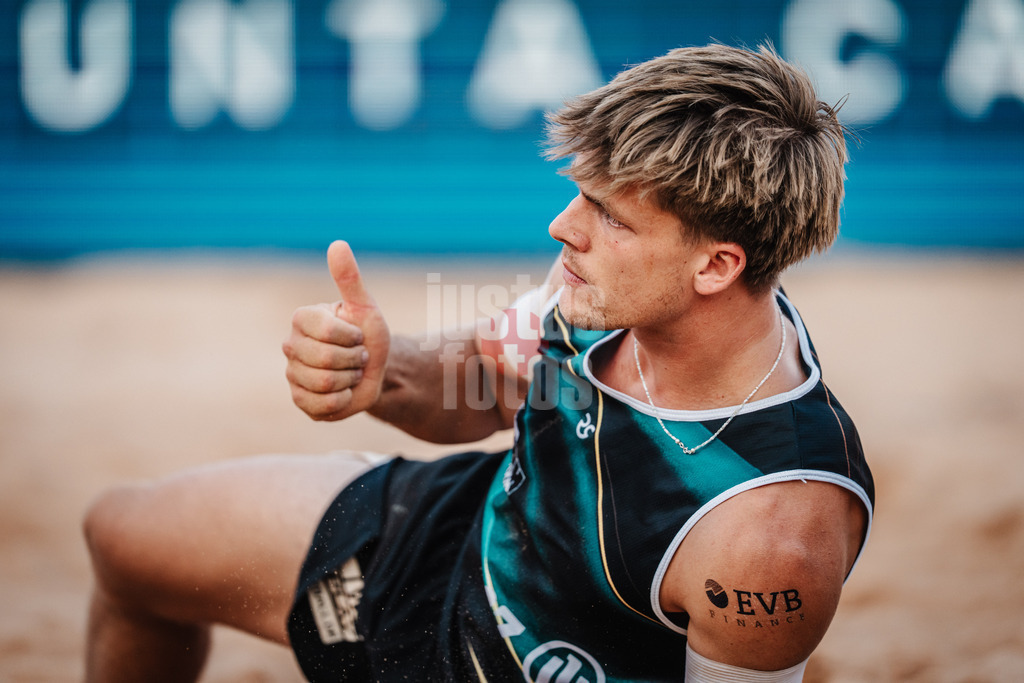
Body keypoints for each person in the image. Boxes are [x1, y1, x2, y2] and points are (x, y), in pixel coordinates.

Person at [82, 43, 873, 682]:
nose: (564, 227)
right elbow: (491, 379)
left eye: (609, 216)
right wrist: (380, 371)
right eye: (580, 193)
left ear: (715, 266)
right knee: (119, 536)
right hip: (453, 538)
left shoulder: (773, 538)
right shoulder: (614, 294)